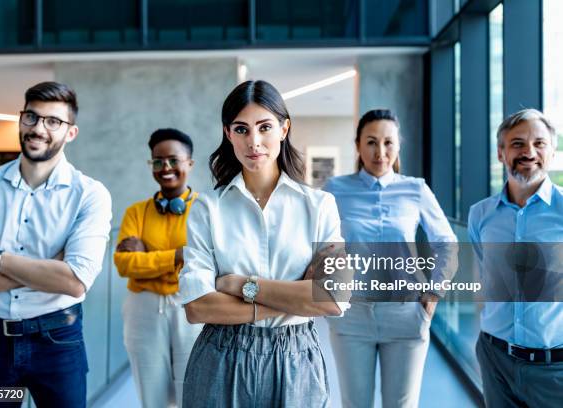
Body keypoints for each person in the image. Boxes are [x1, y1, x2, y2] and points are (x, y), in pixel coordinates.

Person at [178, 80, 349, 407]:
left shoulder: (319, 205)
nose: (253, 141)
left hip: (297, 358)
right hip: (220, 356)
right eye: (241, 129)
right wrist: (297, 297)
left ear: (284, 129)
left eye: (265, 127)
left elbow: (333, 299)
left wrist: (242, 285)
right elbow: (198, 307)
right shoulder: (207, 209)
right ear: (228, 134)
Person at [0, 81, 112, 407]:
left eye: (53, 121)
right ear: (20, 119)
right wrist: (49, 267)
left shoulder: (90, 195)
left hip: (58, 343)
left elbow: (75, 283)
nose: (39, 128)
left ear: (71, 133)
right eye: (31, 117)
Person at [323, 109, 457, 408]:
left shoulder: (416, 188)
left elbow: (447, 242)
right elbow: (316, 246)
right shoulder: (334, 190)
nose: (380, 152)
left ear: (398, 146)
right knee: (355, 403)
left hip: (405, 313)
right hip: (351, 316)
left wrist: (434, 292)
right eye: (371, 142)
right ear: (357, 145)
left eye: (388, 143)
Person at [468, 109, 563, 408]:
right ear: (501, 153)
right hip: (495, 359)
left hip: (555, 368)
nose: (529, 152)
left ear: (552, 151)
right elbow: (485, 276)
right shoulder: (480, 214)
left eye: (539, 143)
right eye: (518, 143)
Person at [114, 128, 202, 408]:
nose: (166, 168)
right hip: (143, 309)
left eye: (174, 160)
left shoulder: (205, 209)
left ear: (189, 163)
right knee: (151, 394)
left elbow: (203, 260)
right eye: (157, 161)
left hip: (191, 305)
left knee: (194, 389)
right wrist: (177, 255)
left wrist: (150, 257)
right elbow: (124, 264)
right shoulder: (135, 212)